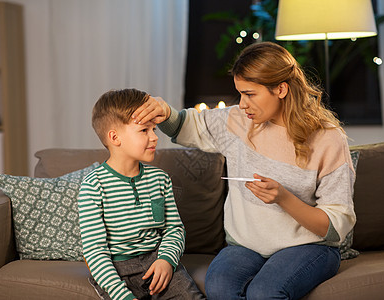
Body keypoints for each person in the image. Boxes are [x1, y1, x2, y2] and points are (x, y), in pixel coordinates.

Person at [132, 42, 357, 299]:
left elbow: (335, 225)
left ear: (281, 89)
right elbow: (185, 126)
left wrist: (283, 198)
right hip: (246, 246)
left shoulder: (328, 138)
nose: (242, 104)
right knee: (219, 288)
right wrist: (164, 111)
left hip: (310, 247)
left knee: (264, 292)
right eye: (240, 94)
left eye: (250, 94)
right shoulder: (238, 121)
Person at [77, 88, 205, 300]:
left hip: (157, 262)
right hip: (115, 271)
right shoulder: (93, 186)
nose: (155, 137)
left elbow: (174, 229)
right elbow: (95, 252)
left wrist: (166, 260)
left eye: (154, 129)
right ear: (115, 137)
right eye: (144, 131)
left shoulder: (160, 179)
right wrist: (122, 295)